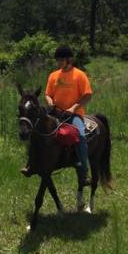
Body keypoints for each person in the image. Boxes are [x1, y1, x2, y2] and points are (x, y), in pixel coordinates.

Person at [45, 45, 92, 188]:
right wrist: (49, 101)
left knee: (81, 137)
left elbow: (87, 95)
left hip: (74, 114)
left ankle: (84, 173)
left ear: (69, 60)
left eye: (61, 60)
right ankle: (33, 163)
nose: (58, 62)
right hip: (55, 112)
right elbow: (47, 94)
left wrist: (72, 108)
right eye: (57, 60)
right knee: (37, 129)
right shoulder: (53, 75)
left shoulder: (79, 75)